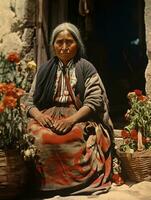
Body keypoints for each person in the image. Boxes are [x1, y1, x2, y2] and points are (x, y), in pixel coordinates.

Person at [25, 22, 118, 196]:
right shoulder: (44, 69)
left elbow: (94, 100)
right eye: (59, 42)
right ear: (53, 45)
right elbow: (29, 102)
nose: (64, 47)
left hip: (78, 115)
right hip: (47, 116)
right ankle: (42, 185)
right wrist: (38, 116)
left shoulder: (86, 68)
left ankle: (75, 184)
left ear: (78, 44)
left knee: (70, 137)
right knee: (36, 135)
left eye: (70, 42)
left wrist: (71, 120)